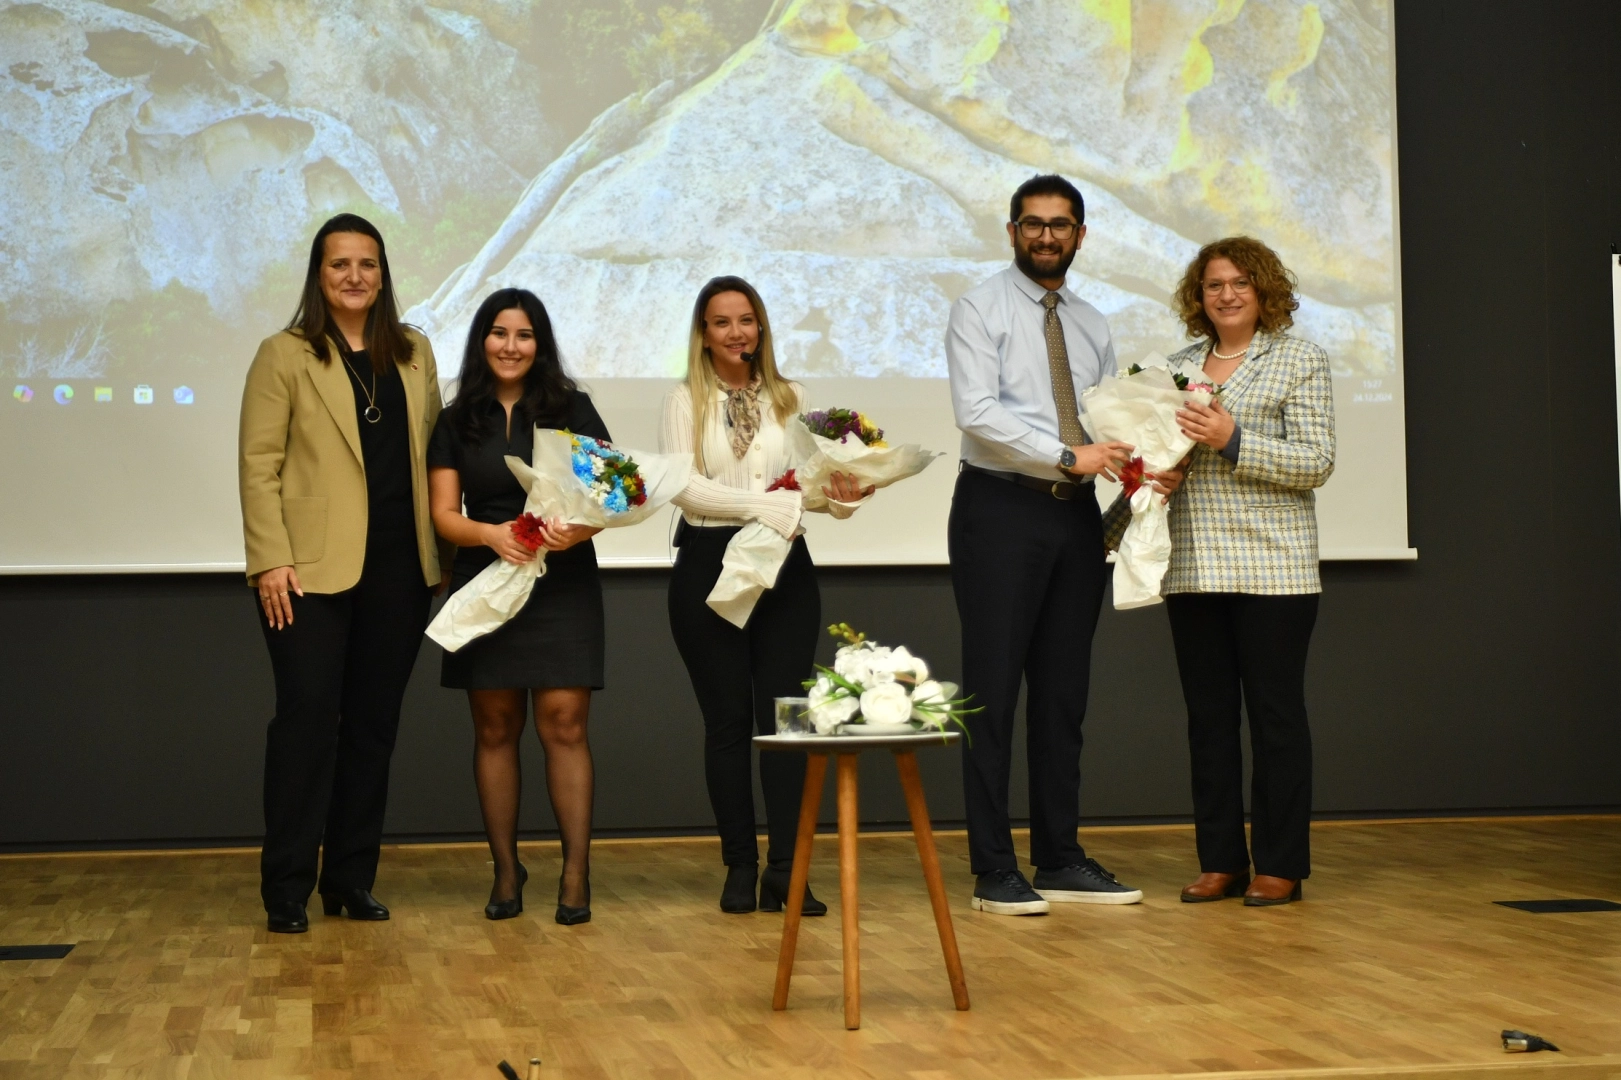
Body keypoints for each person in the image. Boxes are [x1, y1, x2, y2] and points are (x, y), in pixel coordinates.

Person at [946, 175, 1181, 916]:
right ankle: (993, 868)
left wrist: (1144, 463)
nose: (1045, 236)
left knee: (1062, 696)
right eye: (1032, 223)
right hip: (999, 509)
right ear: (1012, 231)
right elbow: (976, 412)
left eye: (1059, 225)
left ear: (1080, 235)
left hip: (1073, 516)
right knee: (990, 696)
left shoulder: (1091, 322)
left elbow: (1105, 418)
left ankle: (1058, 858)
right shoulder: (978, 307)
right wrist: (1063, 454)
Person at [239, 213, 448, 934]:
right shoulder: (285, 353)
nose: (354, 276)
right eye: (339, 264)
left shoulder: (414, 352)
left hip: (401, 569)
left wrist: (443, 557)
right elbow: (258, 466)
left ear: (383, 275)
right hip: (305, 572)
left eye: (367, 264)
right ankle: (287, 887)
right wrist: (270, 557)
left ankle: (351, 879)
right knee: (305, 723)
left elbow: (436, 456)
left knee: (372, 728)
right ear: (318, 275)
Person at [660, 275, 872, 915]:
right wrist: (771, 504)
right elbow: (685, 489)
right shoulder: (683, 400)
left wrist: (845, 498)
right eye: (722, 322)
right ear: (703, 334)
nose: (737, 332)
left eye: (746, 320)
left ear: (761, 328)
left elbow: (810, 489)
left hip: (786, 569)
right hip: (707, 565)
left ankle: (788, 869)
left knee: (786, 724)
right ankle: (739, 866)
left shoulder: (794, 397)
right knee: (726, 725)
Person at [1162, 236, 1334, 906]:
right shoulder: (1175, 367)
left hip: (1274, 569)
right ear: (1198, 296)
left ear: (1264, 290)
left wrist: (1232, 439)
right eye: (1214, 285)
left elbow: (1315, 462)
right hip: (1192, 564)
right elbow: (1162, 451)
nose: (1226, 294)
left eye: (1239, 282)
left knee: (1274, 718)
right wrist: (1158, 473)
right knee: (1206, 720)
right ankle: (1220, 860)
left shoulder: (1298, 358)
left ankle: (1280, 864)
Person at [427, 288, 606, 925]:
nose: (510, 346)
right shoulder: (456, 419)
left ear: (540, 343)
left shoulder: (572, 408)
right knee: (495, 729)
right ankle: (506, 870)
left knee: (565, 727)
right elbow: (444, 515)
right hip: (486, 578)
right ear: (482, 341)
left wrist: (574, 532)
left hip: (562, 581)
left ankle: (576, 874)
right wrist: (490, 535)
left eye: (524, 335)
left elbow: (610, 497)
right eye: (499, 333)